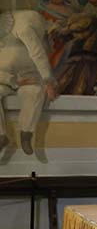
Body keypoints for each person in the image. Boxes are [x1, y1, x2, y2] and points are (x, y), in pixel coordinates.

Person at [0, 9, 58, 155]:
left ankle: (26, 133)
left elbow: (37, 53)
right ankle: (1, 136)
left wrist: (47, 80)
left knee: (34, 92)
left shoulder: (21, 25)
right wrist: (12, 80)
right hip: (5, 77)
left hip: (29, 74)